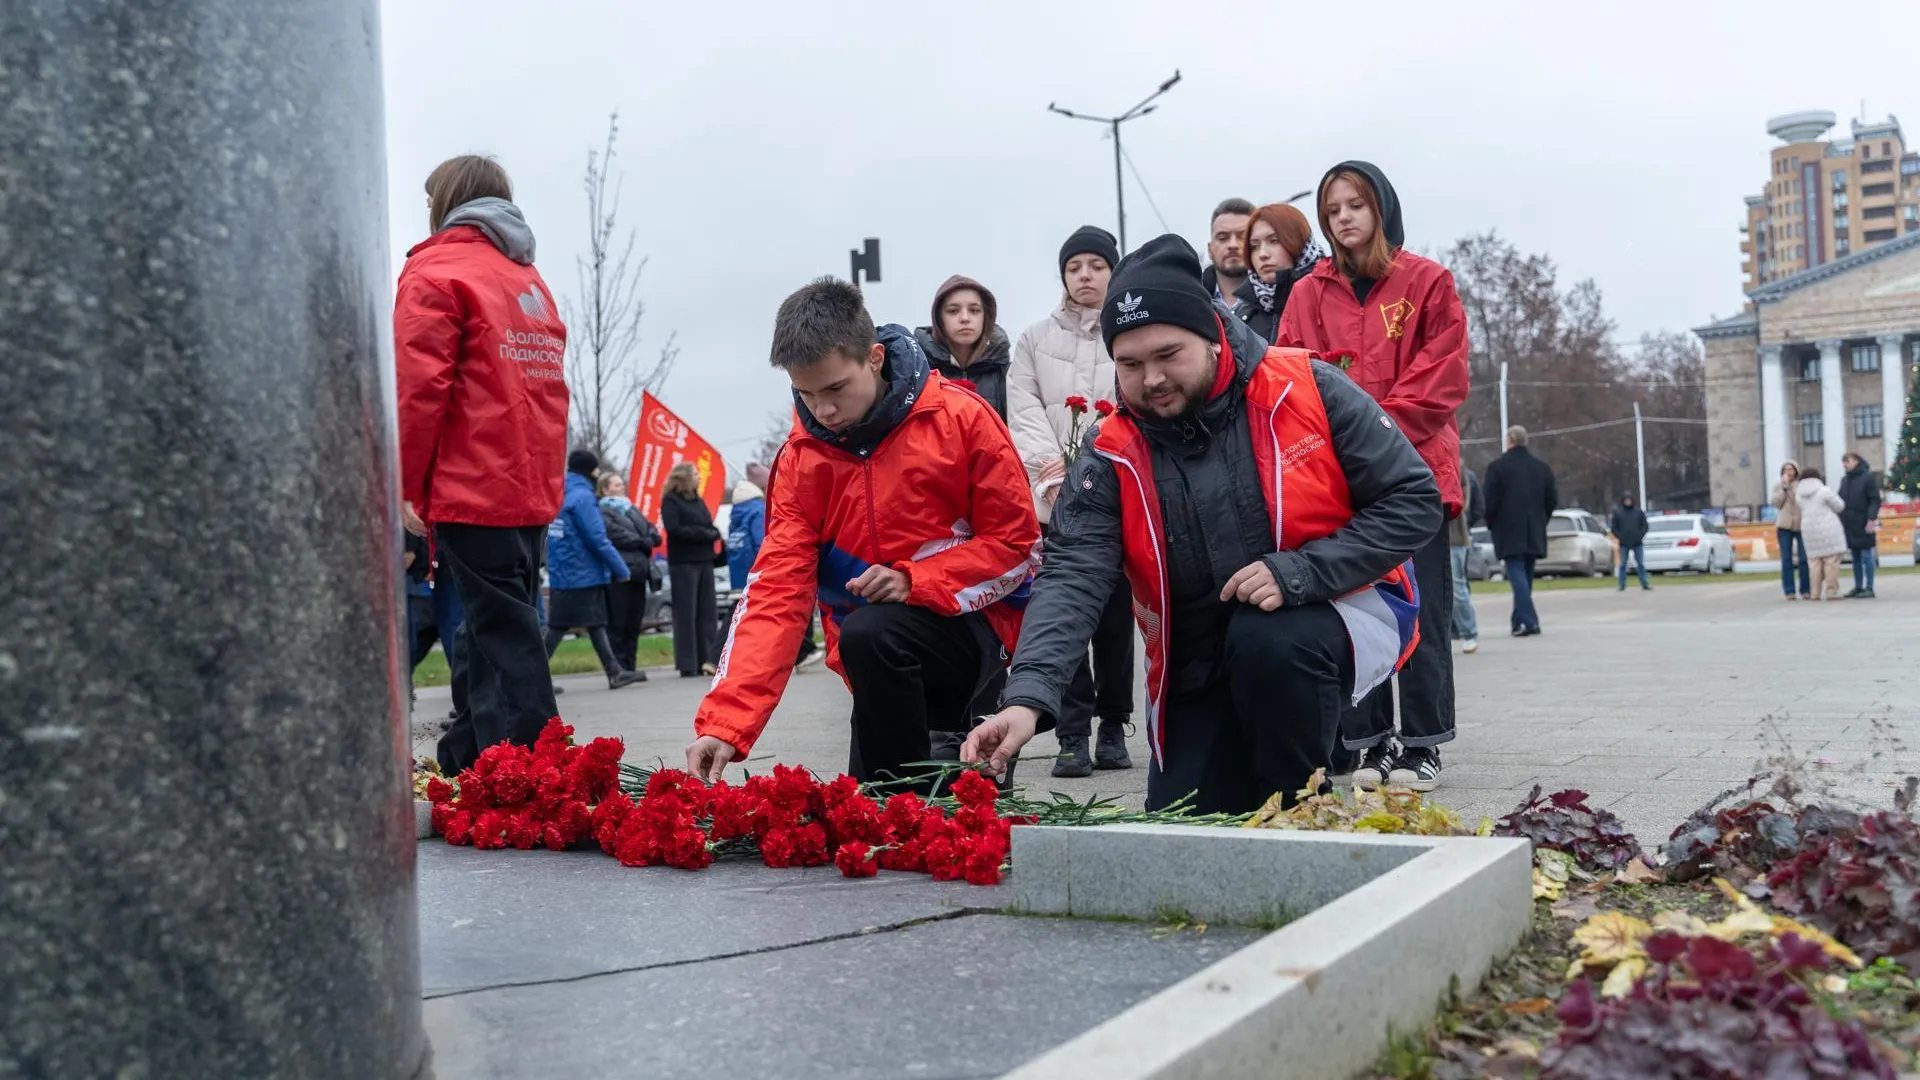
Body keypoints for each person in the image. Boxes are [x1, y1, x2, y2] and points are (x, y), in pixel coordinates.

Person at [961, 234, 1438, 813]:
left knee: (1269, 643)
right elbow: (1071, 573)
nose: (1152, 379)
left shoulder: (1305, 388)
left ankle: (1303, 808)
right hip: (1196, 650)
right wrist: (1027, 697)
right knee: (1183, 815)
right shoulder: (1110, 450)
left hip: (1333, 606)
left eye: (1168, 355)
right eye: (1130, 364)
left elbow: (1413, 498)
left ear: (1212, 334)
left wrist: (1302, 571)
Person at [685, 277, 1041, 788]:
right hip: (874, 657)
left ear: (874, 358)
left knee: (875, 638)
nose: (823, 410)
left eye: (835, 389)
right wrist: (725, 724)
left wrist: (914, 580)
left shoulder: (962, 419)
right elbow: (776, 591)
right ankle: (911, 787)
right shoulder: (801, 460)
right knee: (874, 805)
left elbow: (1016, 547)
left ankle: (946, 752)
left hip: (971, 631)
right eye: (805, 394)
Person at [1275, 160, 1469, 792]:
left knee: (1422, 612)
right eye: (1332, 210)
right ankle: (1369, 740)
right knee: (1360, 611)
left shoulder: (1428, 282)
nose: (1343, 218)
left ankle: (1423, 743)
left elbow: (1441, 377)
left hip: (1417, 475)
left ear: (1381, 209)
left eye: (1355, 205)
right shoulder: (1307, 294)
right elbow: (1293, 374)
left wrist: (1371, 434)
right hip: (1341, 481)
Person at [395, 154, 568, 774]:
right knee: (488, 625)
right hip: (527, 480)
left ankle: (544, 770)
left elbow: (419, 390)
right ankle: (466, 756)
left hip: (472, 479)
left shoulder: (436, 271)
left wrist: (408, 484)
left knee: (503, 634)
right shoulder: (526, 279)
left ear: (446, 201)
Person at [1008, 224, 1136, 776]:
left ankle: (1114, 724)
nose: (1085, 275)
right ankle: (1072, 732)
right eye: (1075, 267)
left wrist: (1092, 462)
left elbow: (1131, 405)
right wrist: (1051, 473)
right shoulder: (1034, 339)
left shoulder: (1128, 330)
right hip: (1050, 496)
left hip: (1117, 491)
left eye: (1097, 266)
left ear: (1114, 271)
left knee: (1114, 619)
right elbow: (1024, 410)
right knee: (1064, 613)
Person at [543, 450, 647, 689]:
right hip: (581, 572)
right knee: (559, 627)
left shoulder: (561, 492)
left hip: (564, 570)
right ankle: (531, 679)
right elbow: (597, 538)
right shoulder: (583, 497)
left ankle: (614, 672)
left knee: (595, 622)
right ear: (590, 470)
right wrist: (620, 569)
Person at [1482, 426, 1558, 640]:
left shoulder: (1497, 468)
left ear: (1509, 441)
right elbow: (1552, 500)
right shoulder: (1542, 468)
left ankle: (1530, 621)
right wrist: (1542, 519)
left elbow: (1490, 501)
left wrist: (1492, 523)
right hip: (1534, 528)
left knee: (1517, 574)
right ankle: (1518, 620)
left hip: (1508, 529)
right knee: (1526, 576)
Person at [915, 276, 1012, 419]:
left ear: (986, 317)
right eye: (953, 311)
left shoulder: (1007, 374)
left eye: (974, 310)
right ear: (939, 319)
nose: (965, 318)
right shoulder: (919, 372)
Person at [662, 462, 722, 677]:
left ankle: (708, 659)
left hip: (704, 560)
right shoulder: (671, 501)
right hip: (684, 563)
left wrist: (713, 532)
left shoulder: (698, 499)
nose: (699, 477)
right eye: (695, 474)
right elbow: (674, 529)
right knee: (686, 614)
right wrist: (703, 534)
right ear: (683, 477)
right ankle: (688, 663)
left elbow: (706, 523)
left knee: (707, 613)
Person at [1236, 203, 1325, 343]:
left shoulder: (1329, 296)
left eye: (1274, 241)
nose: (1262, 254)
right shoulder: (1241, 316)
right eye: (1254, 246)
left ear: (1299, 242)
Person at [598, 471, 659, 672]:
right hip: (619, 573)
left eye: (621, 483)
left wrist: (647, 539)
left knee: (634, 621)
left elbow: (651, 530)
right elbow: (617, 535)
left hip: (640, 572)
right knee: (618, 622)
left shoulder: (631, 508)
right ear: (605, 489)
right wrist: (642, 541)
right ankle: (619, 665)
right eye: (616, 485)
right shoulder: (603, 511)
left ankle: (631, 664)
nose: (621, 487)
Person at [1796, 466, 1848, 601]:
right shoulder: (1824, 491)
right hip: (1828, 529)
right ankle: (1831, 591)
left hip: (1809, 530)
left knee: (1814, 563)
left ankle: (1815, 592)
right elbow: (1840, 506)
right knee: (1831, 561)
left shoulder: (1799, 495)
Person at [1449, 463, 1483, 655]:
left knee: (1457, 587)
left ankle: (1469, 632)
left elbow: (1464, 501)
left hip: (1454, 535)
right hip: (1429, 535)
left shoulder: (1457, 466)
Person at [1837, 452, 1880, 599]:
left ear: (1856, 461)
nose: (1845, 464)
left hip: (1864, 522)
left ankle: (1869, 587)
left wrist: (1871, 518)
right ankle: (1858, 586)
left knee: (1866, 555)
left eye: (1847, 461)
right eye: (1844, 462)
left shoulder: (1867, 478)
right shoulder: (1845, 480)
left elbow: (1874, 500)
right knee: (1855, 557)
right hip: (1849, 524)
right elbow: (1840, 501)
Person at [1201, 198, 1255, 308]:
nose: (1233, 245)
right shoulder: (1191, 300)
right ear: (1210, 250)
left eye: (1243, 237)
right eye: (1223, 238)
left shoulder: (1280, 302)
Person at [1771, 460, 1811, 600]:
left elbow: (1799, 501)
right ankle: (1789, 591)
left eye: (1791, 469)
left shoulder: (1802, 485)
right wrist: (1784, 488)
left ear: (1796, 471)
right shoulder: (1778, 486)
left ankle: (1806, 589)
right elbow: (1777, 503)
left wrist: (1792, 488)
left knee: (1803, 559)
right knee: (1786, 559)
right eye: (1785, 470)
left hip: (1801, 524)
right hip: (1784, 525)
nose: (1788, 472)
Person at [727, 473, 766, 589]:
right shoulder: (758, 510)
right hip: (756, 573)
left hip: (737, 575)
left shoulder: (735, 512)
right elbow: (760, 542)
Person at [1609, 493, 1651, 591]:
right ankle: (1622, 585)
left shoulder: (1638, 512)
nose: (1628, 501)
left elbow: (1645, 526)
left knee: (1640, 564)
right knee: (1623, 564)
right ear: (1623, 501)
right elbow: (1614, 528)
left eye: (1629, 499)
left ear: (1632, 500)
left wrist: (1640, 536)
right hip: (1624, 543)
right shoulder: (1618, 513)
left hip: (1637, 542)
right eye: (1626, 500)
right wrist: (1621, 537)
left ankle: (1644, 583)